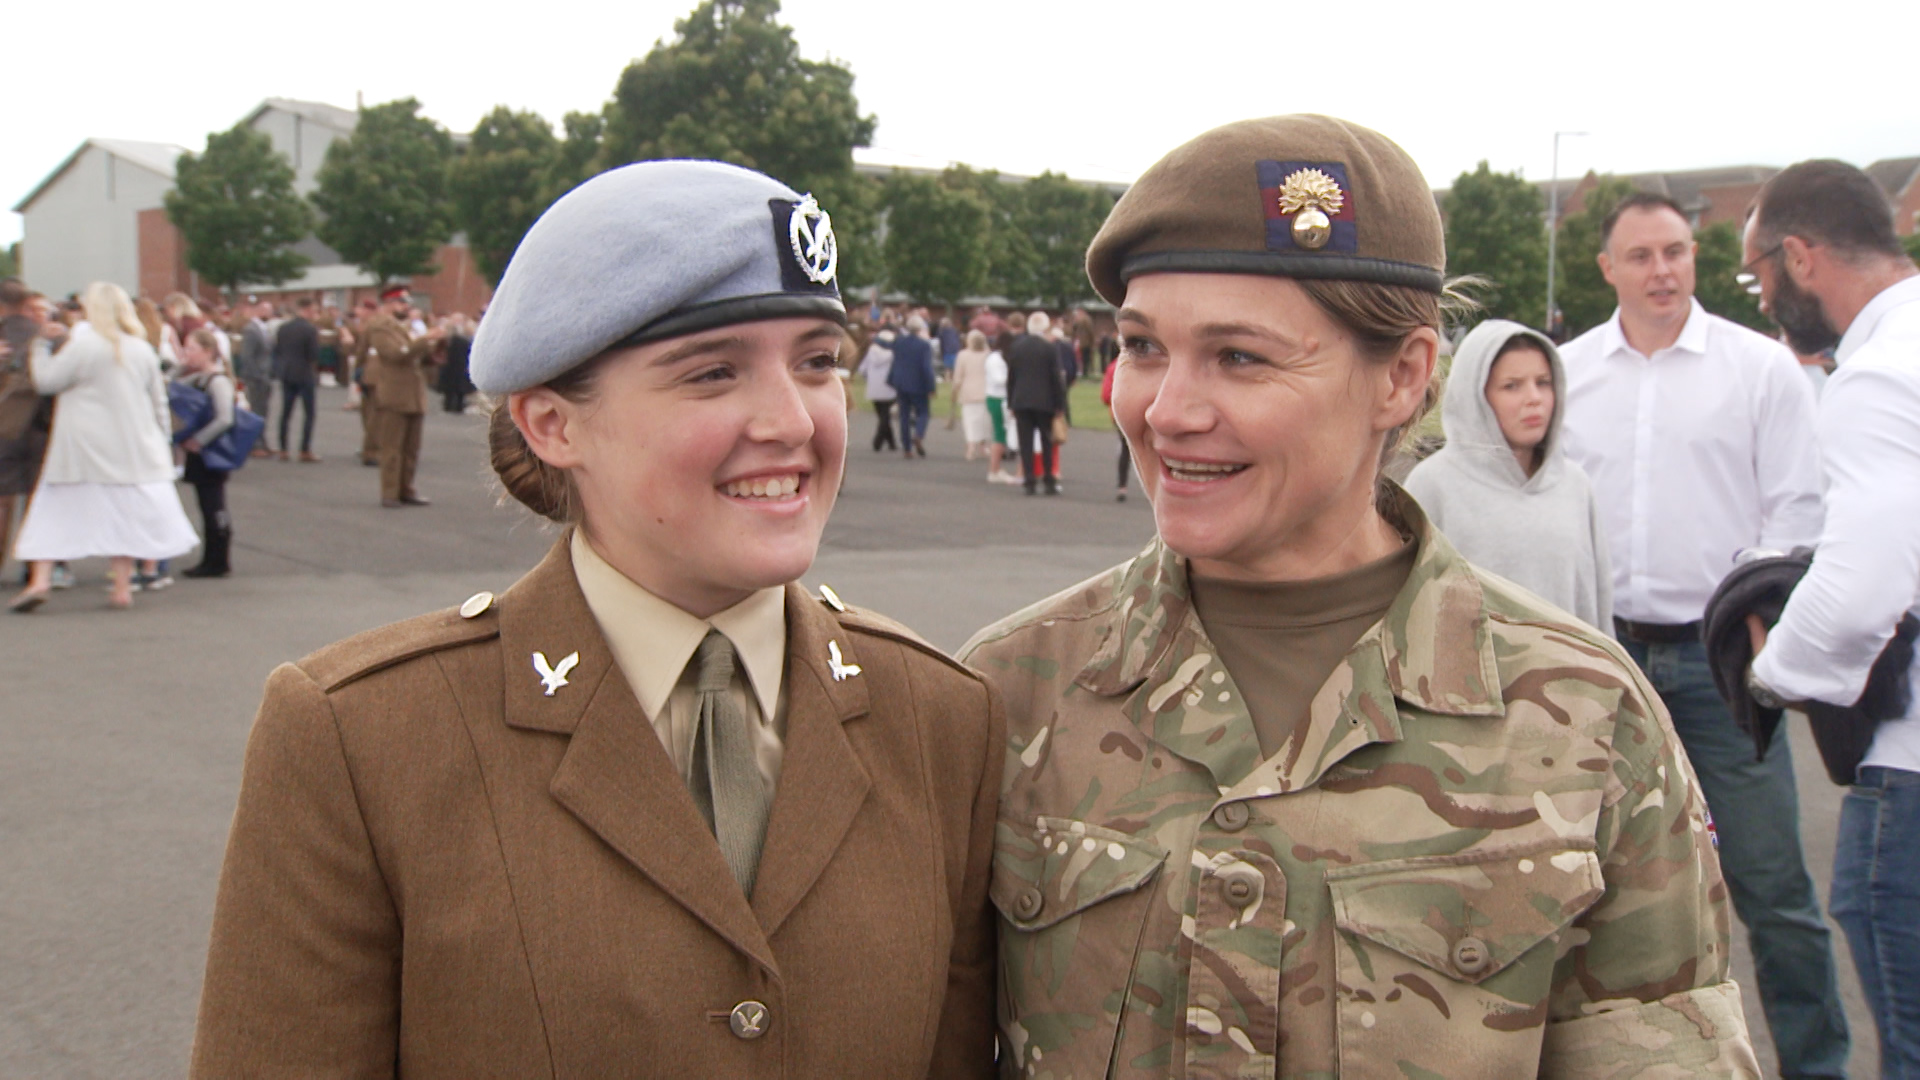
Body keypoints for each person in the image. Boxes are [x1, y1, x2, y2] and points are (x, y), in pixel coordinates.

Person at [960, 115, 1757, 1077]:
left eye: (1240, 357)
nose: (1168, 409)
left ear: (1405, 379)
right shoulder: (1007, 694)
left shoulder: (1583, 715)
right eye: (1141, 347)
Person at [191, 159, 1000, 1078]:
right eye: (712, 372)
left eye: (818, 362)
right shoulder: (361, 738)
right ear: (551, 424)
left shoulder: (939, 716)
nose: (795, 420)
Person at [1559, 192, 1847, 1077]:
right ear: (1607, 268)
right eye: (1641, 255)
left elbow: (1799, 507)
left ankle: (1816, 1064)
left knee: (1772, 888)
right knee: (1582, 889)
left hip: (1720, 664)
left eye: (1677, 252)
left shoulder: (1760, 370)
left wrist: (1761, 621)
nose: (1663, 271)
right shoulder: (1568, 373)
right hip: (1603, 661)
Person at [1742, 160, 1920, 1079]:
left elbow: (1865, 583)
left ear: (1800, 257)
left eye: (1758, 275)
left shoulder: (1878, 376)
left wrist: (1772, 671)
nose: (1764, 297)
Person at [1403, 320, 1612, 631]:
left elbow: (1597, 605)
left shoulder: (1575, 485)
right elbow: (1408, 608)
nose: (1534, 398)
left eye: (1543, 382)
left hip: (1568, 678)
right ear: (1476, 396)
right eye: (1511, 385)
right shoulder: (1432, 485)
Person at [8, 283, 198, 612]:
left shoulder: (84, 346)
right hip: (133, 448)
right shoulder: (140, 349)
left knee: (52, 512)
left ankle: (40, 580)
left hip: (80, 448)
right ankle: (121, 588)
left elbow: (48, 381)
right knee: (122, 516)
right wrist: (163, 441)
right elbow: (157, 401)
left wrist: (40, 346)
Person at [363, 286, 445, 507]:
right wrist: (424, 338)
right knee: (392, 448)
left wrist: (433, 345)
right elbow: (395, 355)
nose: (405, 306)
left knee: (411, 448)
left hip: (413, 394)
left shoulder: (406, 327)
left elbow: (416, 357)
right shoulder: (381, 327)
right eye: (400, 302)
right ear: (388, 304)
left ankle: (406, 488)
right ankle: (390, 492)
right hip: (395, 393)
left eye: (406, 302)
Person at [174, 328, 238, 578]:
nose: (186, 353)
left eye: (191, 349)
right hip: (201, 450)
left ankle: (218, 558)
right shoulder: (199, 378)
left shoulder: (217, 381)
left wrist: (198, 440)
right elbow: (168, 386)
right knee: (206, 503)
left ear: (208, 352)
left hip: (212, 451)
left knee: (214, 504)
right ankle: (211, 557)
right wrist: (182, 366)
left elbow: (225, 418)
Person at [1004, 311, 1064, 495]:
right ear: (1045, 327)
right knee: (1046, 442)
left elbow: (1011, 377)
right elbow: (1056, 378)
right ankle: (1048, 480)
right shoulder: (1050, 348)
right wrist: (1060, 404)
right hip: (1045, 401)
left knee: (1026, 443)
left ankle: (1029, 481)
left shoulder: (1017, 347)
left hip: (1021, 400)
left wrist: (1011, 402)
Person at [272, 297, 322, 463]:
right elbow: (313, 354)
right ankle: (304, 450)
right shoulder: (310, 329)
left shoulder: (283, 328)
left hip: (287, 373)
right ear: (307, 310)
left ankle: (283, 449)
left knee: (286, 412)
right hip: (304, 373)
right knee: (309, 413)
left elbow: (277, 350)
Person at [888, 315, 937, 458]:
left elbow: (895, 360)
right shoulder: (924, 345)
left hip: (901, 383)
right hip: (918, 384)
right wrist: (931, 387)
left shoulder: (899, 342)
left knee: (904, 415)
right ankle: (919, 434)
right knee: (923, 412)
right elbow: (926, 367)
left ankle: (907, 448)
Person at [982, 325, 1021, 485]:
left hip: (1002, 398)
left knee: (1002, 434)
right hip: (997, 398)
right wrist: (1014, 378)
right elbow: (998, 379)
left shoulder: (1002, 358)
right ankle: (994, 470)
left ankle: (996, 469)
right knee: (999, 434)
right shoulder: (995, 359)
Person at [237, 299, 274, 457]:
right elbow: (247, 356)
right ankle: (255, 444)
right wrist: (256, 375)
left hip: (265, 376)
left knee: (263, 411)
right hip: (255, 378)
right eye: (266, 310)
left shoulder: (263, 329)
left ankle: (263, 442)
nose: (269, 313)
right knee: (256, 411)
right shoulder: (251, 330)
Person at [951, 329, 991, 461]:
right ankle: (983, 446)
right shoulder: (988, 354)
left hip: (968, 392)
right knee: (984, 421)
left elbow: (958, 376)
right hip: (985, 392)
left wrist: (955, 389)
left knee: (970, 421)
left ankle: (971, 447)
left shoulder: (963, 355)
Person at [858, 326, 898, 451]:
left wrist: (868, 377)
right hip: (889, 388)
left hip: (874, 389)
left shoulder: (872, 351)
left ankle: (891, 443)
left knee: (882, 415)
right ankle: (878, 441)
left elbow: (862, 369)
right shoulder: (894, 354)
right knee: (885, 416)